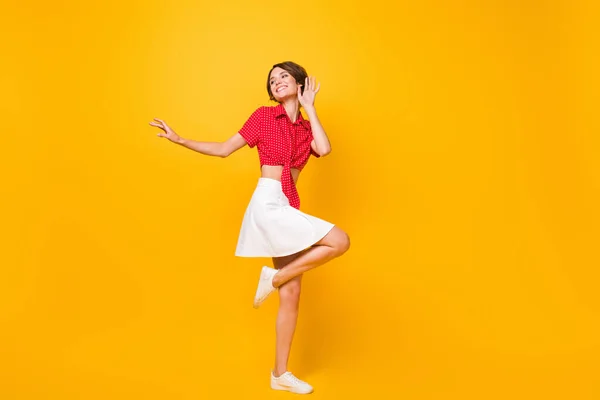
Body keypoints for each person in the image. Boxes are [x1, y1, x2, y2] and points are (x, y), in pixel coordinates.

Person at [149, 61, 350, 394]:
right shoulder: (262, 117)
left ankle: (279, 374)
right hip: (268, 202)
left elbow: (324, 149)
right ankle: (272, 278)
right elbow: (225, 149)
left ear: (299, 83)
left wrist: (310, 108)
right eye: (273, 80)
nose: (277, 82)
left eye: (284, 76)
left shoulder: (305, 128)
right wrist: (180, 139)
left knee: (292, 295)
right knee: (339, 241)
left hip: (288, 205)